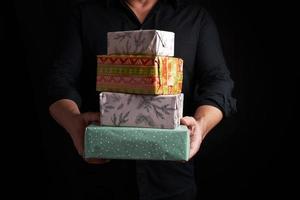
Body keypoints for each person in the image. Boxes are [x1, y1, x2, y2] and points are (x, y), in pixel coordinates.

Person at [47, 0, 236, 199]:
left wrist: (201, 125)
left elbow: (218, 82)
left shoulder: (195, 18)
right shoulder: (85, 15)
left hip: (172, 181)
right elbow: (58, 82)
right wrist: (73, 121)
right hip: (100, 178)